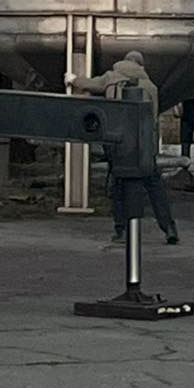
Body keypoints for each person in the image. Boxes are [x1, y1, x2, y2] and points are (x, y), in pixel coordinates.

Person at [68, 50, 179, 246]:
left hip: (119, 144)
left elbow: (90, 84)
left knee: (118, 187)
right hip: (143, 146)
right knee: (154, 187)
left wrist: (73, 79)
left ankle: (121, 230)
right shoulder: (150, 86)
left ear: (124, 62)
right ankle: (169, 228)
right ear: (141, 65)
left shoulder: (111, 77)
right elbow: (153, 119)